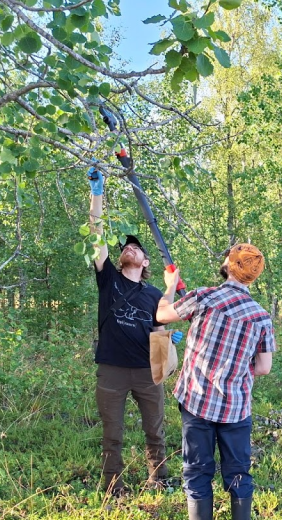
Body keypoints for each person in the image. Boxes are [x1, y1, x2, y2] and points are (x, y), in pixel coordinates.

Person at [156, 244, 276, 520]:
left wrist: (170, 287)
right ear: (253, 276)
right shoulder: (261, 316)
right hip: (236, 408)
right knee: (239, 473)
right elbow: (264, 367)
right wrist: (236, 366)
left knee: (197, 471)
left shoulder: (203, 297)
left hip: (197, 400)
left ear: (229, 265)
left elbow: (162, 315)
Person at [87, 167, 180, 496]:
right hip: (111, 370)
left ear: (145, 262)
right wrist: (96, 194)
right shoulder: (108, 279)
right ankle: (113, 486)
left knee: (154, 429)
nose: (129, 248)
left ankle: (159, 478)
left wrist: (168, 334)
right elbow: (96, 234)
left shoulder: (154, 294)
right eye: (125, 247)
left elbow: (162, 324)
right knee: (112, 433)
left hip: (146, 371)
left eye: (136, 247)